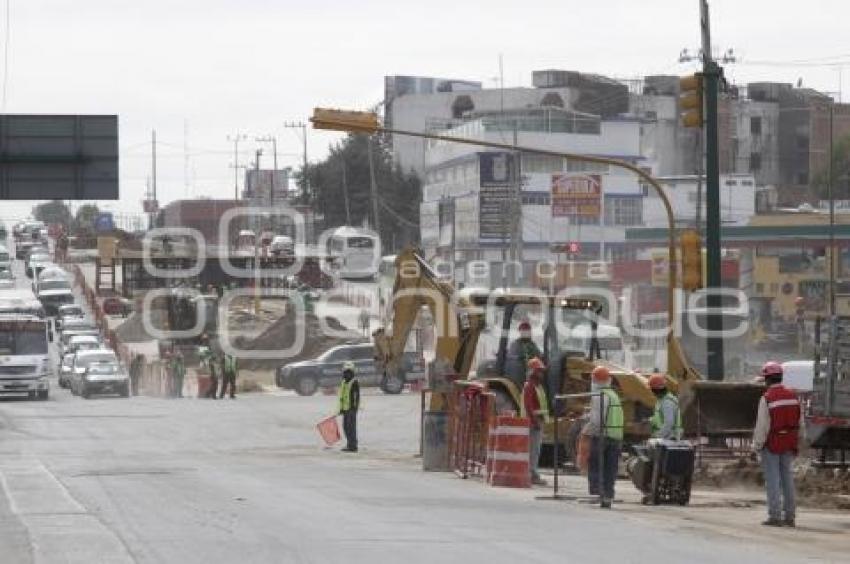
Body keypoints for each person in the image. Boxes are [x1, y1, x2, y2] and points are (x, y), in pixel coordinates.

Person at [753, 361, 804, 527]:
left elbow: (762, 426)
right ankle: (790, 516)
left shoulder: (767, 398)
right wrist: (799, 441)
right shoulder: (793, 396)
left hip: (772, 443)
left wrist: (757, 445)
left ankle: (775, 516)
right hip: (789, 442)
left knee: (773, 480)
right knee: (787, 479)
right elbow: (800, 422)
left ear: (767, 380)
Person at [582, 365, 624, 508]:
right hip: (615, 436)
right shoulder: (613, 395)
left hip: (602, 436)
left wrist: (587, 430)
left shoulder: (599, 396)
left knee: (595, 463)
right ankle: (608, 495)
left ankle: (596, 492)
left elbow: (597, 420)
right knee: (610, 468)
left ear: (596, 380)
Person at [521, 357, 550, 485]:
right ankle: (532, 473)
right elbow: (528, 406)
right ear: (532, 372)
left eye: (541, 371)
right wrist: (534, 421)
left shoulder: (537, 386)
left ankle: (532, 472)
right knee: (533, 449)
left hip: (537, 421)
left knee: (535, 449)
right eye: (539, 371)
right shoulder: (530, 386)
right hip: (533, 423)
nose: (541, 373)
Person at [648, 373, 682, 440]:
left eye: (652, 389)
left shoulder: (667, 402)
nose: (652, 392)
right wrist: (650, 420)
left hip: (669, 439)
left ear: (656, 390)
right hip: (666, 438)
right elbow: (660, 418)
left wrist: (657, 436)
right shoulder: (662, 400)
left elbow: (669, 423)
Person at [338, 361, 360, 452]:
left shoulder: (354, 382)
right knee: (346, 427)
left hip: (351, 409)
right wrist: (341, 409)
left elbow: (356, 397)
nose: (347, 374)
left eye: (349, 372)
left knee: (351, 428)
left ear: (353, 372)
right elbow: (342, 396)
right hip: (345, 409)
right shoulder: (343, 382)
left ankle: (353, 446)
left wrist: (354, 408)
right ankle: (349, 444)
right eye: (345, 372)